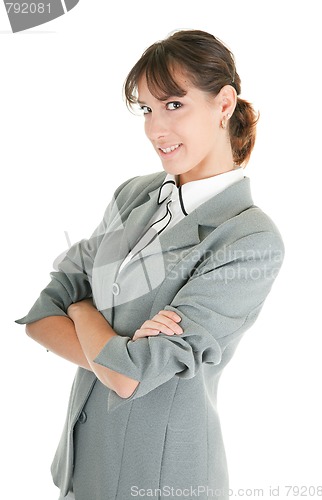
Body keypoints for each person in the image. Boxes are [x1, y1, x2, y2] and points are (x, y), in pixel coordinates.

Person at [16, 29, 284, 500]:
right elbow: (41, 317)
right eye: (146, 109)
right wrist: (114, 352)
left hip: (161, 479)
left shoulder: (248, 238)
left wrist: (81, 312)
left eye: (174, 105)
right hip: (83, 465)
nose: (155, 128)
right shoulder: (134, 194)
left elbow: (129, 375)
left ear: (224, 104)